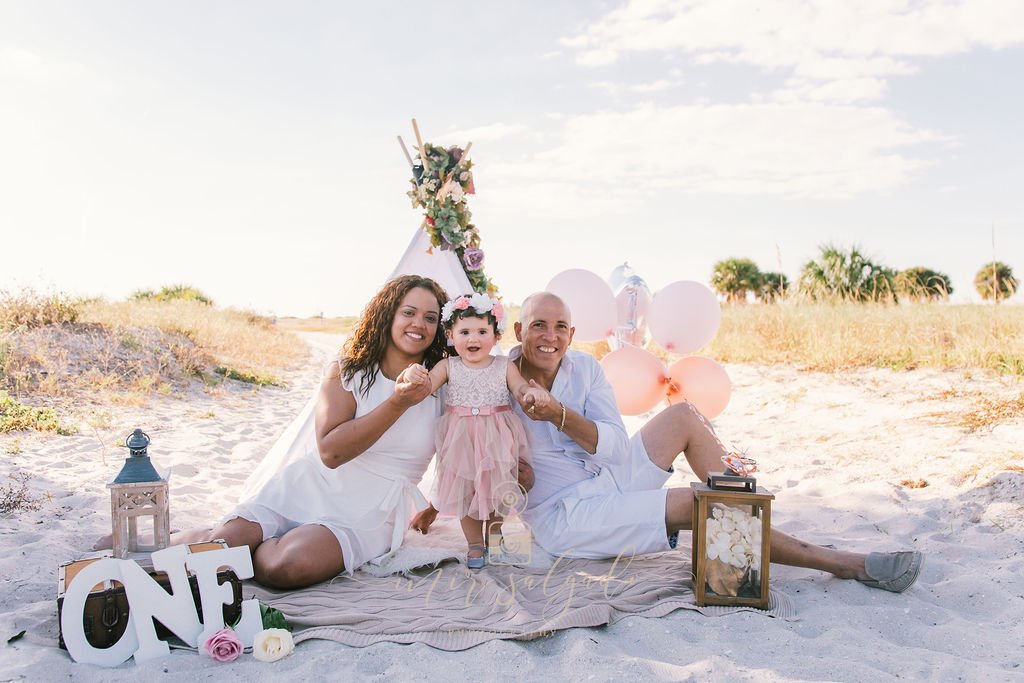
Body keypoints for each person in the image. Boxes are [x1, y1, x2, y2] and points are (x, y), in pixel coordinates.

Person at [412, 292, 923, 593]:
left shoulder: (586, 367)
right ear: (519, 330)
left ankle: (749, 526)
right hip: (564, 514)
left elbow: (613, 444)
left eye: (561, 327)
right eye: (538, 325)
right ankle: (841, 562)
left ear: (572, 334)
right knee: (700, 503)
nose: (549, 335)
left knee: (680, 415)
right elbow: (459, 444)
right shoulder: (493, 374)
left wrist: (562, 415)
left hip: (607, 477)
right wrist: (434, 508)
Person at [401, 292, 543, 568]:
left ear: (496, 335)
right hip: (461, 439)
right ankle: (474, 544)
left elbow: (519, 387)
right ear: (451, 335)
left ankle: (495, 536)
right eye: (464, 332)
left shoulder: (504, 365)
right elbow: (427, 385)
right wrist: (413, 375)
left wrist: (528, 393)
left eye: (482, 331)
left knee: (496, 490)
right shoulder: (448, 366)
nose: (473, 339)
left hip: (497, 437)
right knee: (465, 492)